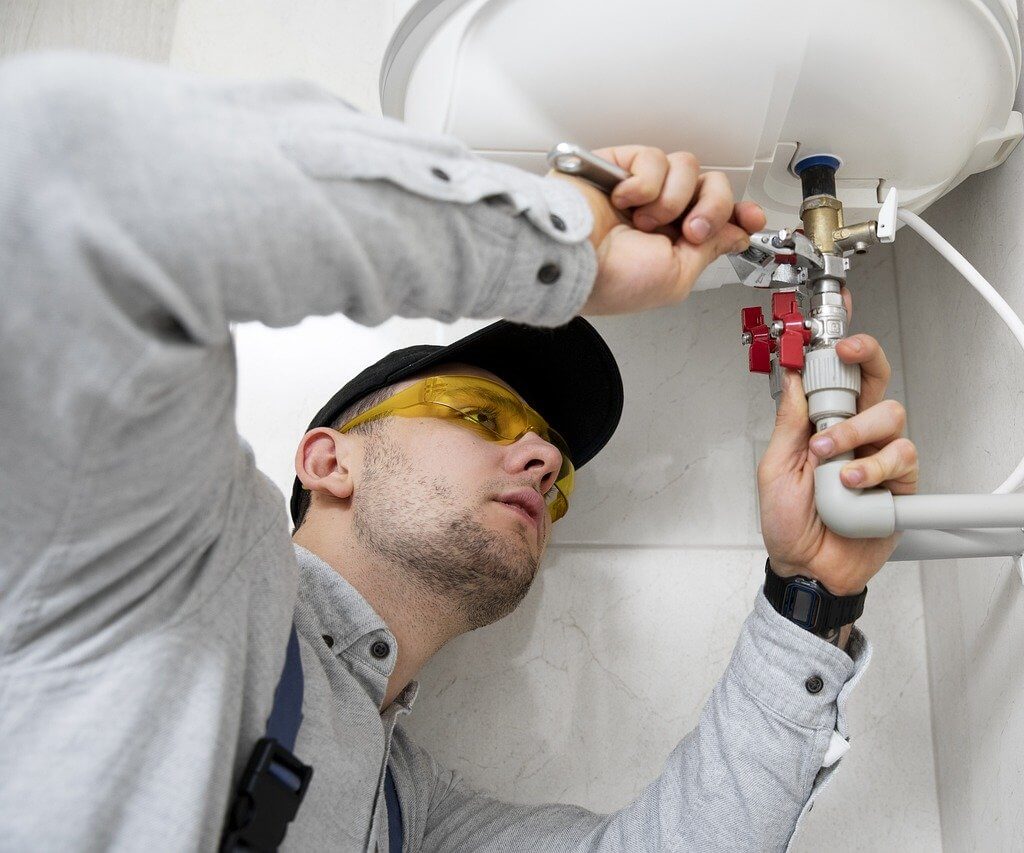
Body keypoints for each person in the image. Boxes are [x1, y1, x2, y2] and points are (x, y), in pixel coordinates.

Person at [0, 52, 918, 851]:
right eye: (479, 415)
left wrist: (812, 596)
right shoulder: (161, 569)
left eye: (555, 467)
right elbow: (58, 168)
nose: (544, 462)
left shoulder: (406, 813)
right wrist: (559, 243)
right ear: (329, 462)